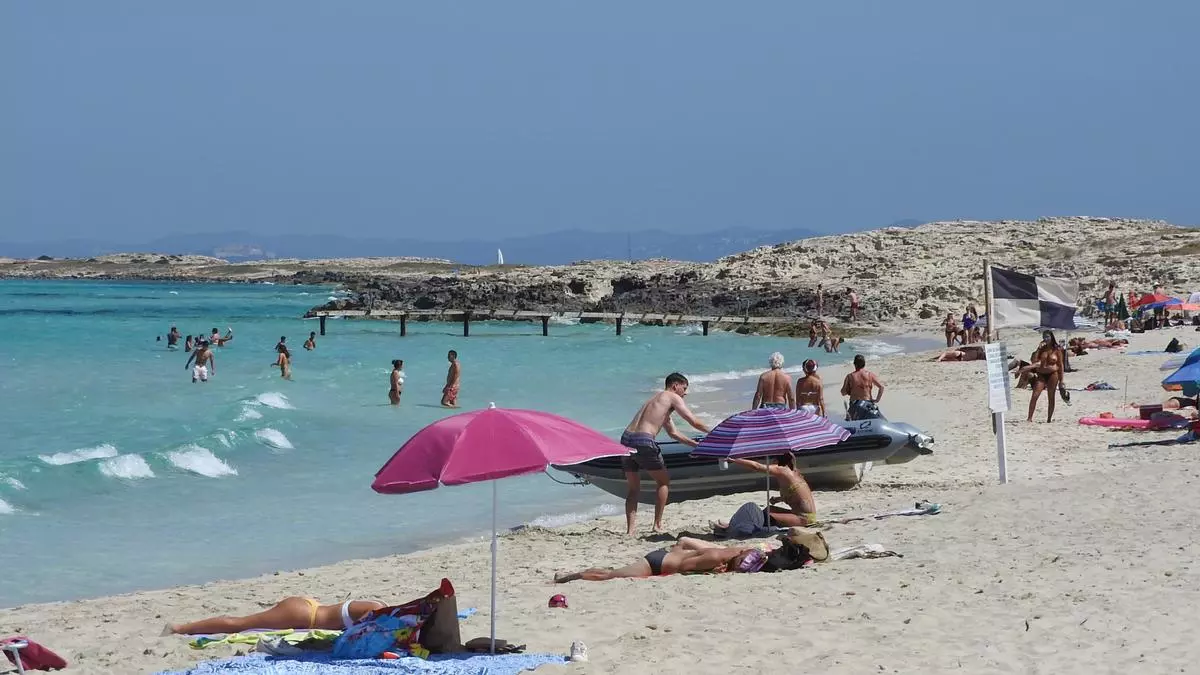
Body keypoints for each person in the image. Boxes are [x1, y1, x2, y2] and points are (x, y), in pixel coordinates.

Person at [620, 373, 711, 535]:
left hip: (626, 439)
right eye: (684, 388)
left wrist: (696, 445)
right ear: (675, 386)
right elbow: (693, 421)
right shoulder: (672, 396)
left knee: (633, 488)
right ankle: (657, 525)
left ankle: (630, 531)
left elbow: (674, 433)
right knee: (663, 482)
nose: (685, 393)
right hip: (644, 440)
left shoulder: (655, 401)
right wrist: (715, 432)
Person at [553, 536, 768, 582]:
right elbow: (683, 568)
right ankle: (570, 576)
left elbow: (762, 548)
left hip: (665, 557)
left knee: (615, 572)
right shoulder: (714, 558)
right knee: (610, 576)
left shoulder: (734, 550)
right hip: (656, 563)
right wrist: (709, 572)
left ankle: (577, 574)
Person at [163, 597, 389, 635]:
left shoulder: (380, 609)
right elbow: (359, 634)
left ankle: (182, 628)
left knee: (241, 623)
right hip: (303, 615)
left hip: (307, 607)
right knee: (239, 624)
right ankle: (179, 628)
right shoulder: (377, 611)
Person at [723, 453, 817, 526]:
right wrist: (778, 499)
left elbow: (757, 466)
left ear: (776, 460)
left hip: (804, 518)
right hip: (806, 515)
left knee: (765, 517)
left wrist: (734, 459)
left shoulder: (782, 469)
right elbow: (796, 497)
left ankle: (731, 526)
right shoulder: (794, 472)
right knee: (769, 509)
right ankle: (733, 524)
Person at [1024, 331, 1065, 423]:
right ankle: (1029, 418)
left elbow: (1060, 365)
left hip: (1053, 374)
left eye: (1047, 336)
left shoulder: (1057, 350)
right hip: (1041, 374)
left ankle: (1049, 419)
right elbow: (1034, 360)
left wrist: (1061, 380)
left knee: (1051, 396)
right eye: (1044, 337)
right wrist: (1038, 349)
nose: (1046, 338)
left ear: (1051, 337)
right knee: (1035, 395)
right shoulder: (1041, 349)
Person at [841, 355, 884, 420]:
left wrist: (849, 390)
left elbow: (843, 393)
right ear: (864, 364)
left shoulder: (850, 376)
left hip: (855, 404)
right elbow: (881, 387)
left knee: (850, 421)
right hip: (868, 404)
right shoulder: (870, 375)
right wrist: (877, 400)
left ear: (855, 364)